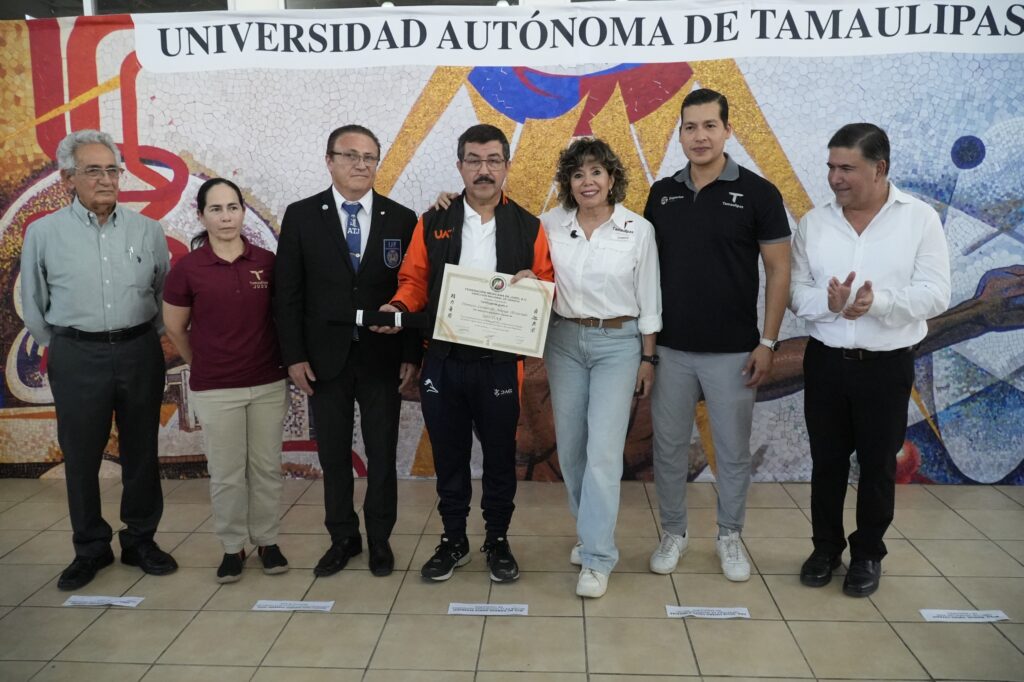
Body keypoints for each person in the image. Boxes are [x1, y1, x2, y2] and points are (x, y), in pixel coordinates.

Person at [377, 123, 554, 583]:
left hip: (500, 366)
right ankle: (453, 539)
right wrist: (398, 307)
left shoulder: (529, 226)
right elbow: (413, 281)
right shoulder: (433, 221)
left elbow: (546, 282)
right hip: (443, 361)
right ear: (460, 166)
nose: (483, 170)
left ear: (507, 166)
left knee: (500, 458)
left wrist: (535, 287)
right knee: (449, 457)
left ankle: (497, 539)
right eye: (473, 160)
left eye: (493, 160)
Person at [790, 123, 951, 597]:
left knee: (879, 464)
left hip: (886, 365)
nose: (835, 178)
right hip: (826, 362)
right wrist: (830, 303)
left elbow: (936, 294)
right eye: (831, 167)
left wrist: (875, 304)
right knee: (827, 462)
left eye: (847, 168)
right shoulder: (814, 223)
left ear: (880, 168)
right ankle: (825, 549)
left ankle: (867, 555)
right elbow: (797, 292)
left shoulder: (919, 219)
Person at [644, 89, 792, 582]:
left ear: (728, 130)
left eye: (710, 125)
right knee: (668, 450)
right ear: (680, 133)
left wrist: (768, 343)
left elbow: (779, 270)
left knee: (730, 453)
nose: (700, 136)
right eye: (690, 127)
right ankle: (674, 533)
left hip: (734, 352)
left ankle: (729, 536)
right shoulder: (661, 194)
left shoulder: (759, 193)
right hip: (670, 350)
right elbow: (643, 272)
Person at [20, 129, 177, 590]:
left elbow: (162, 295)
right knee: (82, 455)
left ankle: (140, 540)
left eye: (113, 170)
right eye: (93, 170)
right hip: (75, 353)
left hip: (138, 350)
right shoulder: (44, 232)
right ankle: (90, 548)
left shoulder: (146, 230)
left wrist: (137, 337)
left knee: (141, 451)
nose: (106, 179)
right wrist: (69, 344)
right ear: (67, 178)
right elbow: (34, 303)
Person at [274, 125, 419, 578]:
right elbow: (287, 293)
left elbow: (414, 289)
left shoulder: (402, 218)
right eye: (350, 155)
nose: (361, 164)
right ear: (329, 160)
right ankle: (342, 537)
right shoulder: (302, 216)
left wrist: (411, 354)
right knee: (333, 455)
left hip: (382, 357)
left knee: (382, 453)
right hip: (323, 360)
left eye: (369, 157)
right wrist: (294, 356)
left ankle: (379, 539)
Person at [541, 138, 661, 598]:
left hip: (619, 344)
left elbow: (649, 298)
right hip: (564, 342)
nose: (587, 181)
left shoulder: (638, 229)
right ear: (568, 182)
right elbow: (523, 258)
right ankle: (589, 531)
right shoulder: (549, 223)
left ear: (612, 178)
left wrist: (647, 357)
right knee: (572, 450)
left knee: (604, 453)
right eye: (577, 174)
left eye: (596, 172)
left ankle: (597, 557)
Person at [163, 178, 289, 583]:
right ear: (201, 215)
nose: (226, 216)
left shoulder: (267, 261)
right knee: (227, 473)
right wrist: (204, 363)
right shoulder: (187, 269)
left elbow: (285, 316)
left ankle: (267, 541)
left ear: (243, 211)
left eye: (232, 207)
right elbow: (175, 327)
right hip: (216, 388)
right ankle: (233, 547)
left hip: (268, 384)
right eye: (215, 209)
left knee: (266, 468)